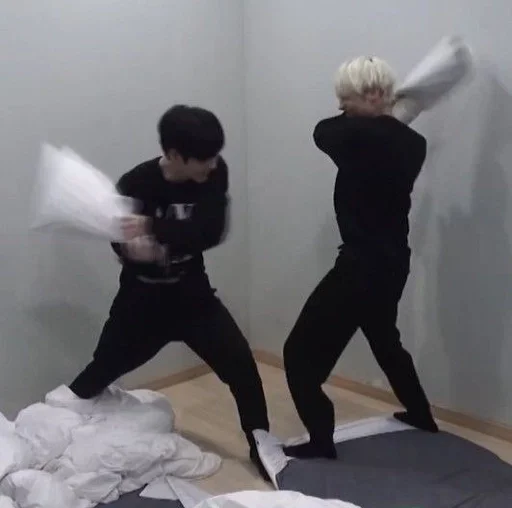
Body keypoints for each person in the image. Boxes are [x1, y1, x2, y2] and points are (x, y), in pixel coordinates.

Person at [70, 105, 270, 478]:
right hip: (141, 300)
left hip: (194, 296)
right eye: (204, 159)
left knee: (242, 367)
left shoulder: (214, 173)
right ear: (175, 155)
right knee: (97, 374)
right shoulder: (135, 184)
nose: (213, 165)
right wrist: (132, 251)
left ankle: (264, 448)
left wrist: (151, 228)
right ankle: (59, 437)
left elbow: (210, 231)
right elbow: (118, 239)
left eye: (215, 156)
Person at [283, 57, 439, 460]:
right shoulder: (414, 144)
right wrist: (395, 114)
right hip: (393, 264)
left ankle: (321, 442)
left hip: (360, 267)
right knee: (385, 340)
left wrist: (388, 114)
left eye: (346, 99)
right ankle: (421, 415)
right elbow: (373, 133)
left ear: (372, 95)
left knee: (298, 355)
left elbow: (322, 131)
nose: (341, 107)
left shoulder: (355, 137)